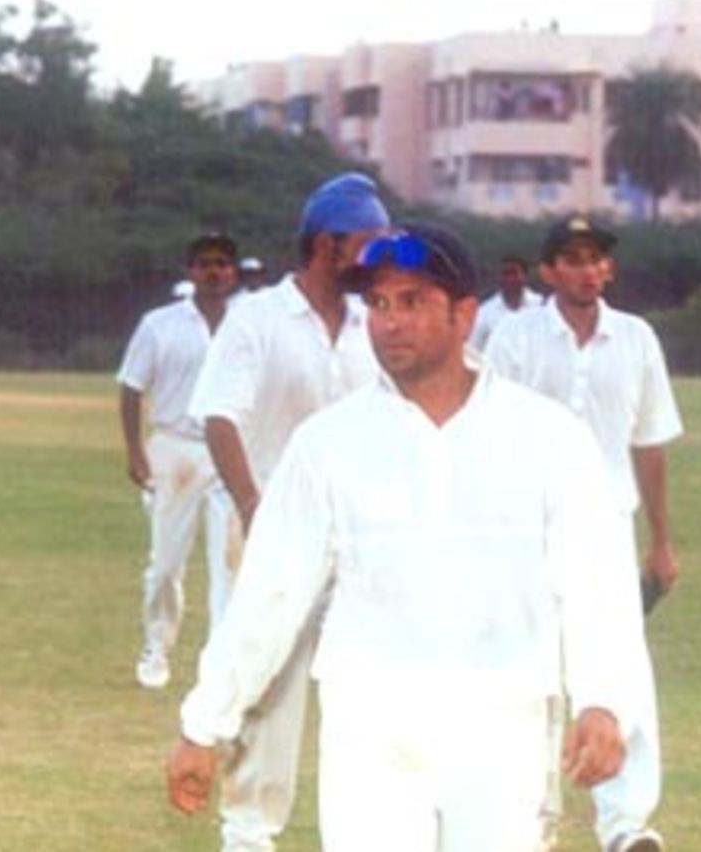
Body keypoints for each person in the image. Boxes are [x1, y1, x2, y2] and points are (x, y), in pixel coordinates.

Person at [167, 223, 642, 851]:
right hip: (371, 727)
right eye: (379, 305)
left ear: (464, 315)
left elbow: (596, 583)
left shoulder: (548, 437)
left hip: (502, 720)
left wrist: (603, 700)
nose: (390, 322)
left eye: (413, 301)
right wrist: (206, 724)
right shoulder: (329, 444)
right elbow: (270, 593)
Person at [184, 172, 389, 852]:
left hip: (363, 538)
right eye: (370, 241)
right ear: (329, 245)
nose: (381, 254)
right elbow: (219, 416)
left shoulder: (377, 321)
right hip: (279, 530)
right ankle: (248, 830)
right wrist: (251, 505)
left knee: (368, 685)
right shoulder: (258, 319)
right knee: (266, 677)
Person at [486, 215, 682, 852]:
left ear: (610, 269)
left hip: (608, 523)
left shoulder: (636, 338)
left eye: (595, 258)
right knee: (528, 667)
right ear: (548, 271)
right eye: (571, 259)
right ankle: (526, 820)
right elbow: (491, 437)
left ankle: (625, 825)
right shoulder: (513, 337)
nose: (586, 269)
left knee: (620, 667)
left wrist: (660, 541)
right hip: (528, 526)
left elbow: (649, 441)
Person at [117, 232, 239, 689]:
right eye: (205, 264)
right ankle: (157, 647)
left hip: (229, 448)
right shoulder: (159, 324)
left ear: (232, 272)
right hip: (174, 447)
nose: (214, 272)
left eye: (222, 264)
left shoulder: (247, 323)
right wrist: (134, 450)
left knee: (230, 562)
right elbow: (131, 387)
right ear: (190, 271)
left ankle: (222, 662)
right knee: (167, 562)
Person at [469, 254, 543, 351]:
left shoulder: (541, 305)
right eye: (505, 274)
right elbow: (473, 348)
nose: (509, 279)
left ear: (525, 276)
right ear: (497, 277)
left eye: (514, 273)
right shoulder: (484, 313)